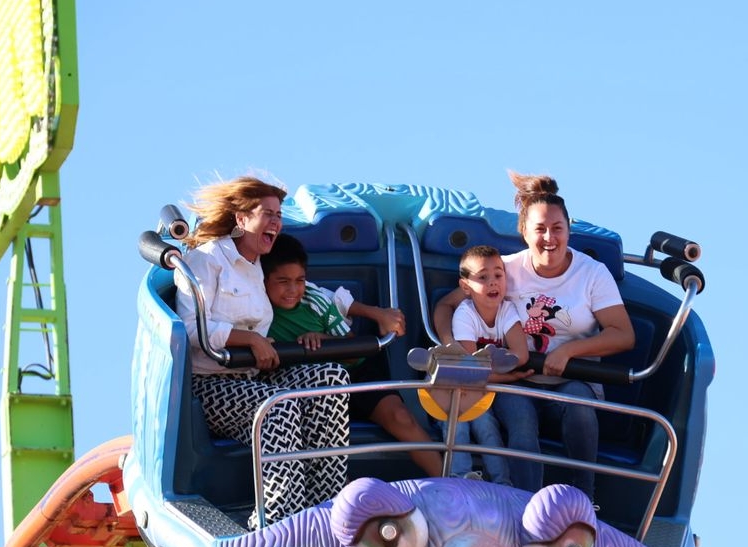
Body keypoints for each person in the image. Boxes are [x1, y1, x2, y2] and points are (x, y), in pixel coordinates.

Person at [432, 171, 634, 499]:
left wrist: (569, 351)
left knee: (579, 409)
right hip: (518, 378)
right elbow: (446, 305)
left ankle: (585, 499)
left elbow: (623, 334)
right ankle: (524, 505)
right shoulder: (504, 270)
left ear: (569, 230)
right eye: (540, 229)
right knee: (522, 426)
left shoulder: (592, 274)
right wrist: (452, 348)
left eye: (557, 228)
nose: (549, 238)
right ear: (524, 232)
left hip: (570, 379)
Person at [175, 175, 350, 529]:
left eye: (279, 215)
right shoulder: (207, 260)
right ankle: (277, 521)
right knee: (278, 409)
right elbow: (189, 329)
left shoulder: (259, 265)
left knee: (332, 379)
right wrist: (249, 339)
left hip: (255, 377)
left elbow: (310, 293)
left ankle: (325, 510)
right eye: (267, 214)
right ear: (242, 219)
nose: (276, 222)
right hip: (212, 384)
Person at [262, 233, 445, 478]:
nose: (293, 290)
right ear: (263, 280)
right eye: (283, 281)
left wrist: (323, 340)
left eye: (300, 280)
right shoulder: (256, 311)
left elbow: (350, 350)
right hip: (313, 389)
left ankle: (449, 482)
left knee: (401, 418)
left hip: (355, 372)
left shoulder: (315, 300)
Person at [446, 244, 530, 486]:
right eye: (483, 277)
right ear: (466, 287)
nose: (493, 282)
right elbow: (469, 370)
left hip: (480, 389)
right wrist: (508, 376)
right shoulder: (465, 314)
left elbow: (521, 355)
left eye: (498, 275)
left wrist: (485, 369)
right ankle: (459, 478)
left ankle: (502, 483)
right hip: (453, 389)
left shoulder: (507, 310)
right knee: (458, 423)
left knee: (486, 426)